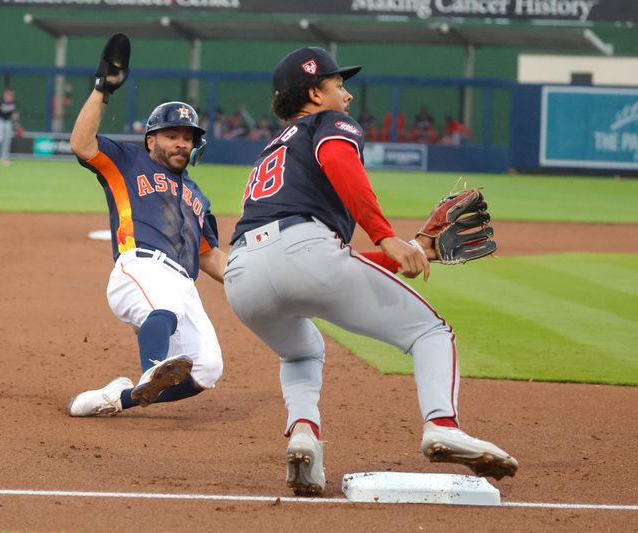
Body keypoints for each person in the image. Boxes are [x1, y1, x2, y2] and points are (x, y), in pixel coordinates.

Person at [223, 47, 518, 496]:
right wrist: (386, 237)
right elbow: (339, 174)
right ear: (313, 92)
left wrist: (411, 251)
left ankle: (304, 433)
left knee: (301, 352)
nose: (347, 94)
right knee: (431, 334)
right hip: (305, 251)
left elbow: (319, 262)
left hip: (242, 273)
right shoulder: (328, 123)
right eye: (337, 84)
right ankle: (442, 425)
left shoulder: (273, 148)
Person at [66, 33, 226, 417]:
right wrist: (103, 89)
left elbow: (210, 258)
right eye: (172, 135)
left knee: (208, 368)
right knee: (165, 308)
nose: (181, 144)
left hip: (185, 285)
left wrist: (261, 282)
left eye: (188, 138)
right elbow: (82, 144)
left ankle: (117, 399)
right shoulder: (128, 162)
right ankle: (152, 368)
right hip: (140, 266)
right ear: (151, 138)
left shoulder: (197, 196)